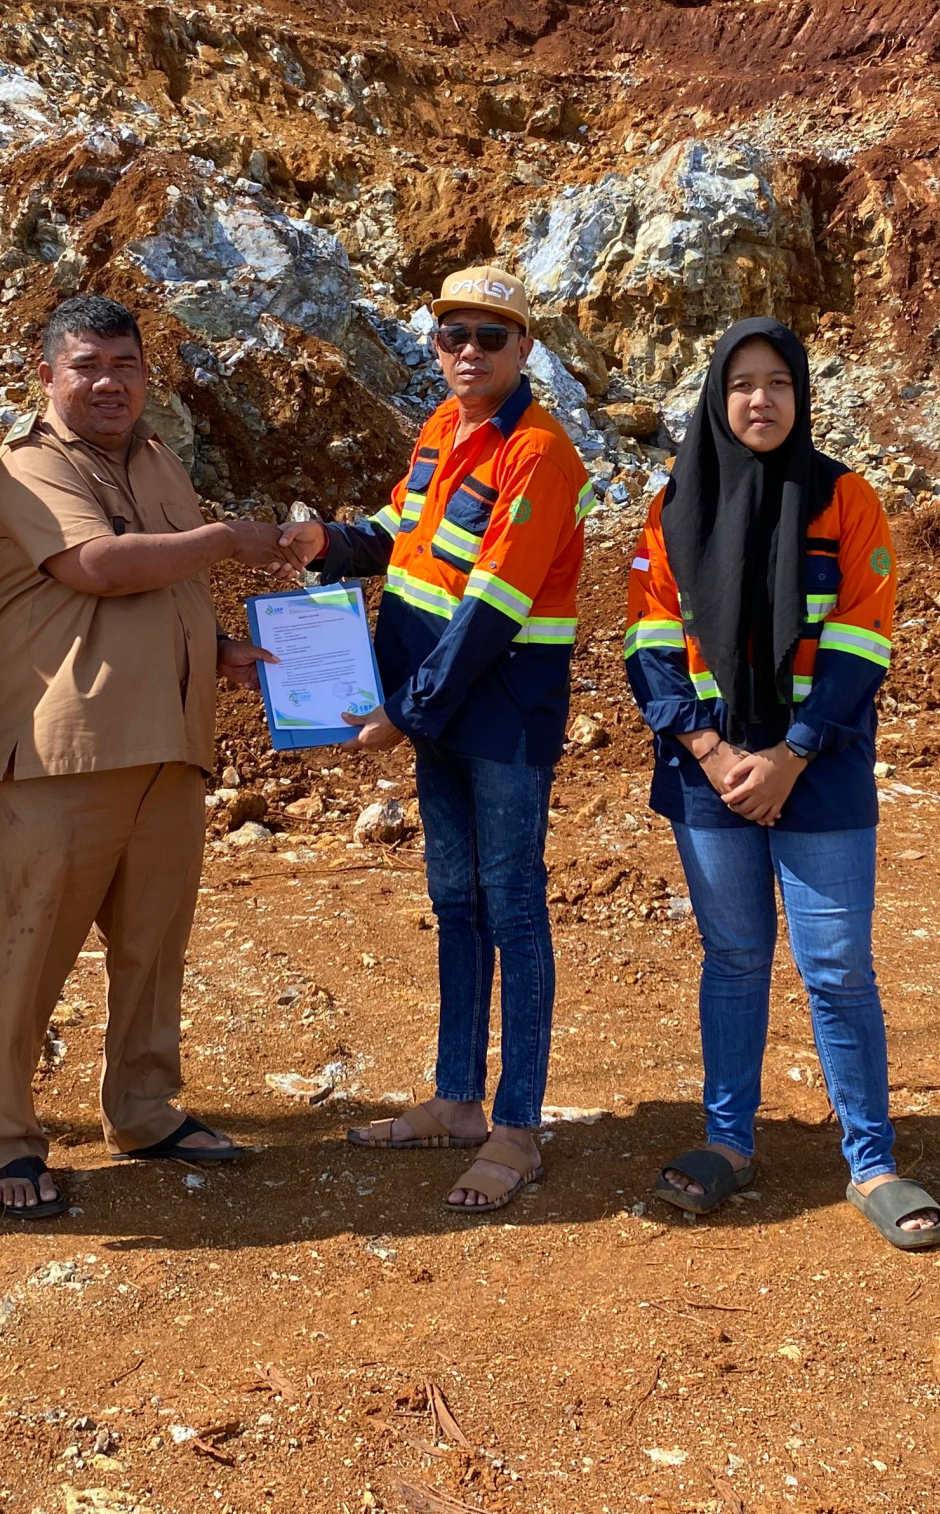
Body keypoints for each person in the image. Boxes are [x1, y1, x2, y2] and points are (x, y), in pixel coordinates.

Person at [622, 317, 940, 1251]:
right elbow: (648, 639)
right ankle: (728, 1143)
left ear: (801, 397)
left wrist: (790, 755)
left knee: (837, 966)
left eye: (778, 382)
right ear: (716, 399)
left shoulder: (845, 498)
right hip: (711, 774)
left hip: (819, 766)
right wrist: (707, 748)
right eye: (741, 385)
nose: (760, 400)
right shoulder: (672, 505)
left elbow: (863, 637)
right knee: (733, 958)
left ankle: (872, 1161)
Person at [0, 293, 293, 1221]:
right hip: (64, 751)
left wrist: (217, 647)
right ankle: (5, 1138)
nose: (108, 383)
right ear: (48, 376)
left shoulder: (156, 459)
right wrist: (226, 540)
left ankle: (144, 1110)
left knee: (153, 947)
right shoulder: (26, 465)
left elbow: (165, 583)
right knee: (23, 952)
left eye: (125, 366)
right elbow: (100, 567)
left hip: (171, 744)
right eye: (87, 366)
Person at [286, 264, 589, 1214]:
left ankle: (518, 1126)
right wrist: (329, 544)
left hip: (498, 714)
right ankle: (459, 1100)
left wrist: (407, 711)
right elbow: (401, 531)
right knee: (456, 902)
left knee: (513, 909)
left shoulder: (539, 454)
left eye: (490, 336)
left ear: (524, 348)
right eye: (453, 334)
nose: (469, 351)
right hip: (440, 708)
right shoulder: (442, 429)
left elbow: (495, 607)